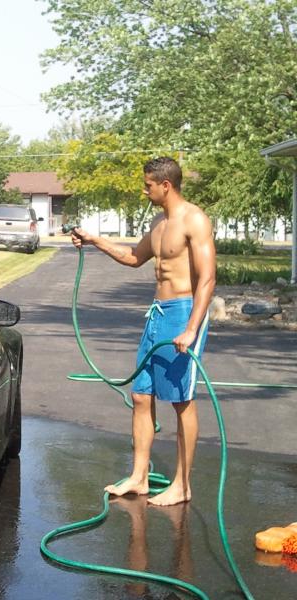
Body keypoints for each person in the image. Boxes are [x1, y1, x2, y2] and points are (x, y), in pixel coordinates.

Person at [71, 157, 216, 506]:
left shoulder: (194, 219)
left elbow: (208, 278)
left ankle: (183, 485)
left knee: (181, 400)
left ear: (165, 185)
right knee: (141, 396)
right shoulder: (158, 222)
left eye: (148, 184)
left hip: (183, 313)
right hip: (157, 313)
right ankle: (138, 478)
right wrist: (93, 240)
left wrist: (191, 329)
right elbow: (134, 257)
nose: (144, 189)